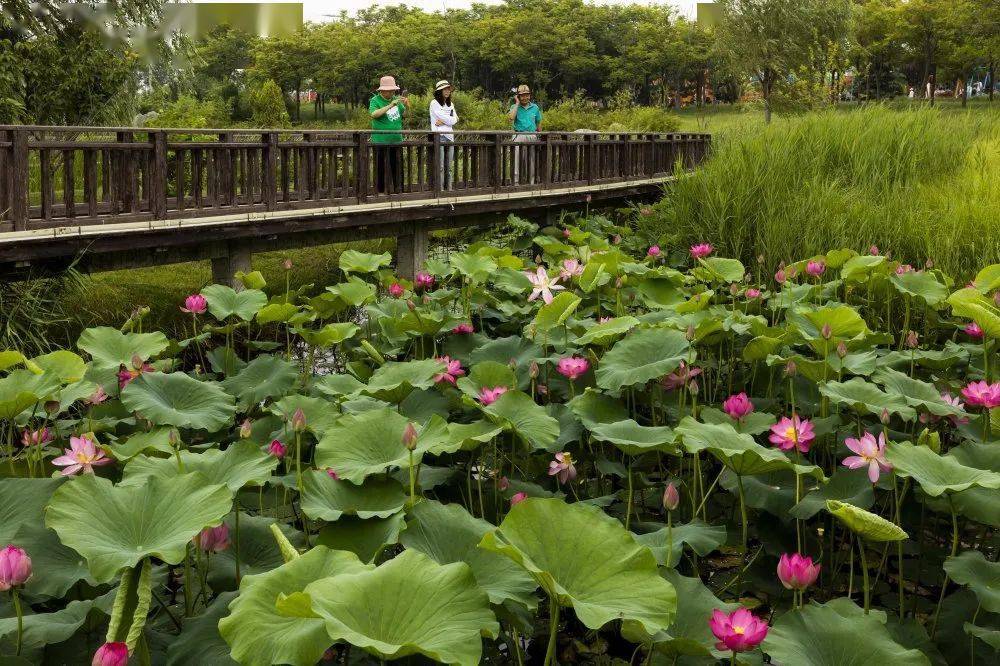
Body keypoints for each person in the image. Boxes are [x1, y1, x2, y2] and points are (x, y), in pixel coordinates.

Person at [369, 75, 409, 194]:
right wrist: (390, 105)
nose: (391, 93)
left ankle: (399, 190)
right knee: (380, 167)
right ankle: (380, 192)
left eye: (393, 90)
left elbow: (404, 115)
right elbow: (374, 114)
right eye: (389, 91)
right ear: (382, 90)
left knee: (397, 166)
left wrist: (406, 105)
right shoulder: (375, 100)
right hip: (380, 140)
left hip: (396, 139)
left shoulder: (396, 99)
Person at [507, 84, 542, 184]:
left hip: (532, 135)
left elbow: (538, 123)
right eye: (522, 95)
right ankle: (516, 182)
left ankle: (531, 181)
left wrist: (540, 136)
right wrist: (517, 104)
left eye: (527, 95)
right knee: (517, 160)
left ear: (530, 95)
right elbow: (511, 118)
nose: (525, 97)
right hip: (519, 135)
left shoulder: (535, 107)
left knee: (532, 160)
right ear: (518, 96)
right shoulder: (514, 107)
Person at [429, 80, 458, 190]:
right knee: (440, 166)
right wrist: (449, 120)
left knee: (449, 166)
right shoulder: (434, 103)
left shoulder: (451, 105)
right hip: (439, 136)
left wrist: (444, 121)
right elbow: (450, 119)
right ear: (439, 91)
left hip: (450, 136)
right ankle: (440, 189)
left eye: (448, 89)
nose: (447, 91)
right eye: (444, 89)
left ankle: (449, 189)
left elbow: (454, 120)